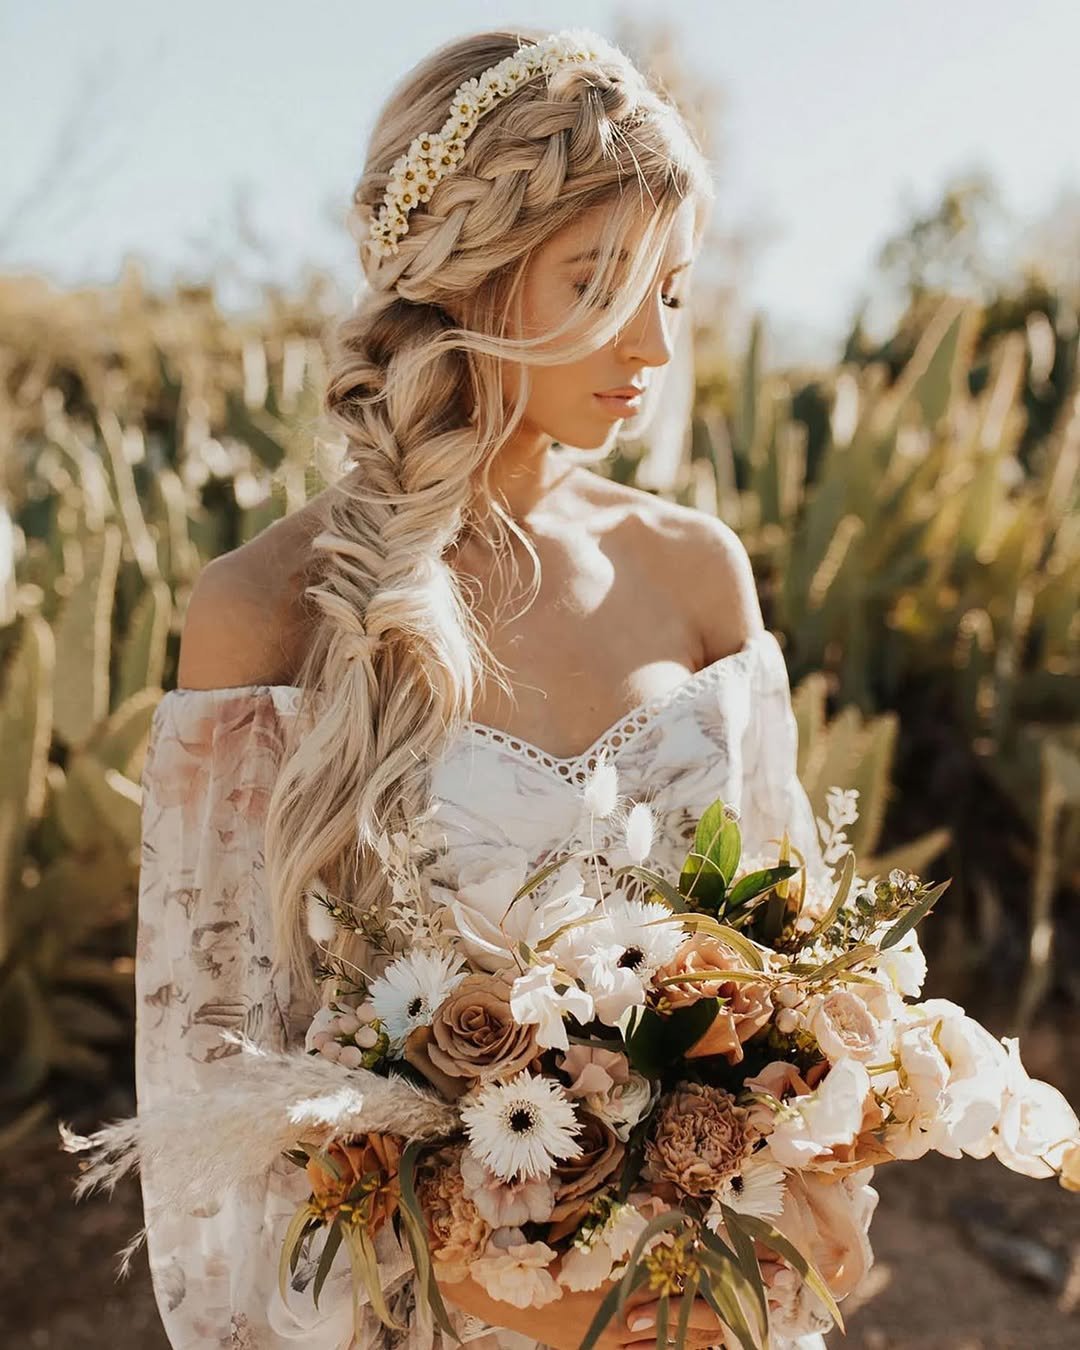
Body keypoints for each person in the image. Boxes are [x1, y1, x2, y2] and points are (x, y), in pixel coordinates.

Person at [133, 25, 837, 1350]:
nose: (650, 343)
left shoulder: (701, 576)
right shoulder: (266, 613)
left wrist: (794, 1196)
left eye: (672, 290)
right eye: (597, 277)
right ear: (468, 272)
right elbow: (207, 1089)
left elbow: (789, 975)